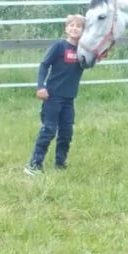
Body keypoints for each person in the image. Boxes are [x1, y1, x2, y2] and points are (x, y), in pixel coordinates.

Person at [24, 14, 86, 175]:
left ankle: (60, 163)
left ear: (83, 30)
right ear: (66, 29)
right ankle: (33, 165)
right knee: (49, 129)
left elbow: (91, 60)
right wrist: (40, 87)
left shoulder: (83, 50)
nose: (74, 28)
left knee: (66, 132)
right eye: (71, 25)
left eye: (78, 26)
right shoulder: (59, 46)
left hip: (69, 98)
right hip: (53, 96)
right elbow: (44, 65)